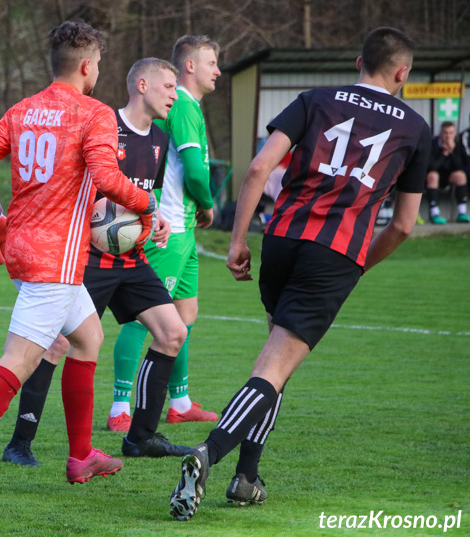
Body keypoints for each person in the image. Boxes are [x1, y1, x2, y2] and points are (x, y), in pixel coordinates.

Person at [168, 26, 430, 522]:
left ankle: (247, 479)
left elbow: (259, 168)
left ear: (358, 62)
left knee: (275, 359)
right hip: (334, 253)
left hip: (283, 240)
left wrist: (240, 239)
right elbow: (403, 225)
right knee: (272, 368)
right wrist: (358, 266)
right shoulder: (414, 128)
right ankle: (208, 454)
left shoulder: (315, 99)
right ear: (402, 73)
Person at [0, 21, 157, 501]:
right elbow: (106, 176)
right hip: (55, 259)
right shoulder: (93, 113)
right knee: (21, 358)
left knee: (88, 337)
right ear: (89, 66)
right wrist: (148, 205)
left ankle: (81, 455)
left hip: (28, 251)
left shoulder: (23, 110)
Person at [1, 58, 192, 467]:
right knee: (55, 343)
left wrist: (152, 219)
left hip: (133, 260)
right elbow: (78, 186)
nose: (175, 95)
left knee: (172, 332)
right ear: (142, 85)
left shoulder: (159, 140)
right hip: (85, 259)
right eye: (169, 87)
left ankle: (140, 438)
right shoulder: (102, 122)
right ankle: (20, 442)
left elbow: (143, 198)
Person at [108, 35, 221, 432]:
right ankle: (121, 406)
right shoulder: (185, 109)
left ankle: (181, 402)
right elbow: (193, 170)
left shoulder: (182, 107)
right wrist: (207, 204)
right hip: (169, 228)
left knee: (185, 315)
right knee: (144, 318)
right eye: (211, 63)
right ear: (189, 65)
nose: (218, 71)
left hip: (184, 229)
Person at [425, 121, 468, 223]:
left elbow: (460, 166)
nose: (448, 136)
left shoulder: (458, 145)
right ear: (440, 133)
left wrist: (452, 152)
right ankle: (434, 213)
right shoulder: (433, 144)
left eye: (451, 133)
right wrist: (444, 153)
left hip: (449, 176)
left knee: (460, 176)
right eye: (445, 133)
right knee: (433, 176)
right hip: (435, 176)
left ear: (455, 134)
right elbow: (431, 167)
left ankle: (462, 213)